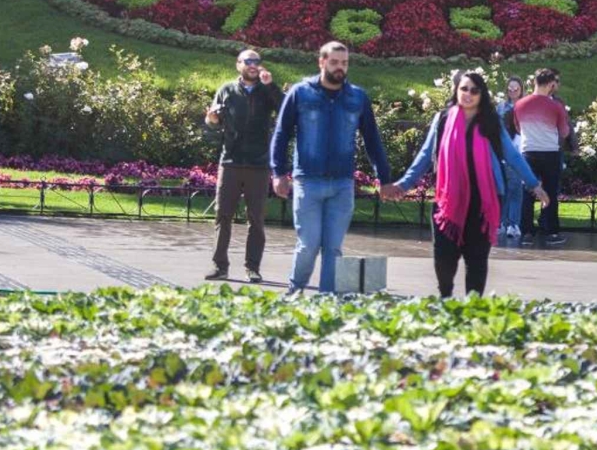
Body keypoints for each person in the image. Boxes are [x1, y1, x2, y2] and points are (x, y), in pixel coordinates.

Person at [381, 71, 549, 296]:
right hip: (449, 199)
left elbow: (513, 155)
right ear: (456, 91)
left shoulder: (490, 122)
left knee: (476, 258)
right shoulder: (442, 119)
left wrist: (533, 184)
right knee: (444, 256)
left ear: (482, 94)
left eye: (474, 90)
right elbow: (424, 156)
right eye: (464, 89)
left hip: (484, 199)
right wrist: (403, 184)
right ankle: (446, 300)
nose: (468, 94)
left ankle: (472, 307)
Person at [270, 41, 391, 295]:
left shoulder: (357, 97)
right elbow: (281, 135)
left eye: (344, 63)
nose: (340, 68)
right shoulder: (300, 93)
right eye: (335, 62)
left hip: (341, 184)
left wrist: (385, 178)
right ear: (321, 62)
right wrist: (278, 173)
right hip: (308, 181)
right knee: (308, 245)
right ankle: (295, 290)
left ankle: (327, 298)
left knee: (333, 247)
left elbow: (372, 140)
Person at [204, 48, 284, 283]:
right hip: (230, 162)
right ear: (238, 64)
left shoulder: (266, 90)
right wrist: (211, 119)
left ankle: (253, 268)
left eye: (256, 61)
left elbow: (284, 109)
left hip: (258, 165)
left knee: (256, 219)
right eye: (248, 61)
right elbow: (212, 121)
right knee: (223, 216)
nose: (253, 64)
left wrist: (271, 86)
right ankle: (220, 267)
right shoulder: (227, 90)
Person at [515, 68, 570, 245]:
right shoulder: (556, 106)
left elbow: (517, 127)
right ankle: (551, 232)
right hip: (550, 153)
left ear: (535, 82)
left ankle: (527, 233)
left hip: (528, 152)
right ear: (550, 84)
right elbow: (564, 131)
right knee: (551, 192)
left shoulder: (520, 104)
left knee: (528, 193)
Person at [496, 76, 525, 244]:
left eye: (516, 89)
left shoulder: (526, 106)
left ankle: (512, 223)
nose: (513, 92)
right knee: (505, 189)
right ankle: (504, 222)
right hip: (504, 151)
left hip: (520, 150)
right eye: (510, 89)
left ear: (521, 89)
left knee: (515, 188)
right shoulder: (501, 107)